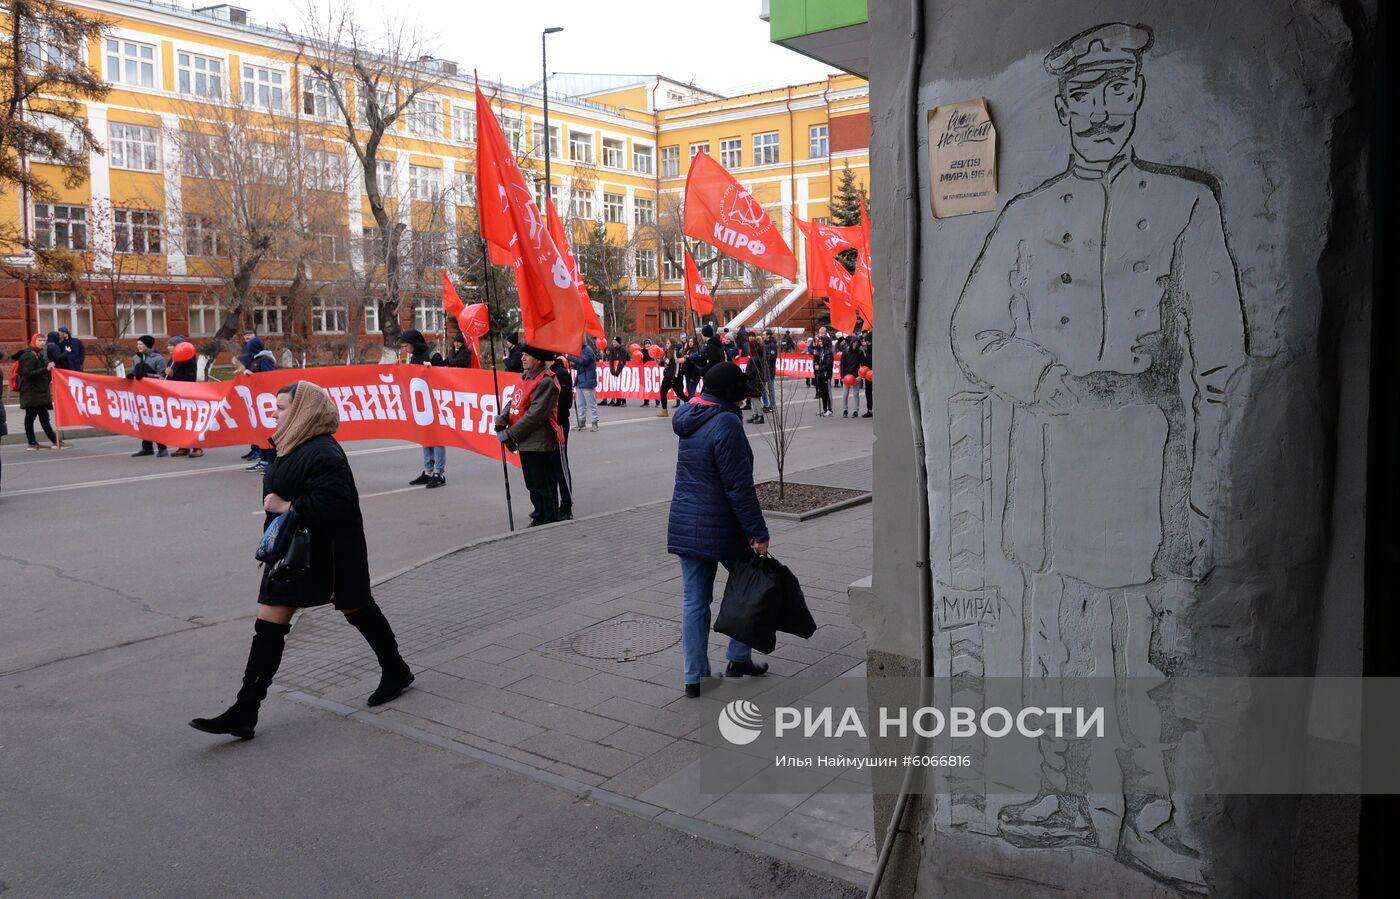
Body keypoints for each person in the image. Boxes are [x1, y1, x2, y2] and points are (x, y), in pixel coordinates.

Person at [190, 381, 414, 740]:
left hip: (331, 552)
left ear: (302, 411)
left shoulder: (323, 451)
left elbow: (334, 504)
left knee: (357, 608)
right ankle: (246, 708)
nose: (275, 414)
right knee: (269, 623)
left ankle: (396, 669)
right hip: (294, 553)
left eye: (281, 408)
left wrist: (286, 506)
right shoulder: (290, 444)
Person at [666, 361, 771, 698]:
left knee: (695, 602)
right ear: (731, 395)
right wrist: (757, 532)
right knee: (750, 587)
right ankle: (738, 658)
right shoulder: (725, 423)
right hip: (722, 527)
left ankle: (694, 677)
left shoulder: (690, 415)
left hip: (686, 522)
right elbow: (738, 487)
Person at [495, 344, 563, 526]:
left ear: (539, 359)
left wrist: (510, 434)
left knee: (543, 483)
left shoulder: (546, 381)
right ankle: (539, 511)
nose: (522, 359)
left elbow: (536, 416)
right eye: (522, 355)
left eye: (527, 356)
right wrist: (503, 415)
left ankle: (548, 517)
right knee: (532, 482)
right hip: (525, 440)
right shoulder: (525, 377)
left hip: (539, 441)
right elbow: (515, 400)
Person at [401, 329, 448, 488]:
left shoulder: (433, 355)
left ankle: (439, 473)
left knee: (438, 438)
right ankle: (428, 471)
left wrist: (433, 369)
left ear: (414, 343)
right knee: (425, 437)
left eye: (407, 345)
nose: (405, 348)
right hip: (421, 404)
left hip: (436, 403)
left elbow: (446, 376)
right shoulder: (413, 358)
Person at [240, 333, 278, 470]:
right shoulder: (257, 359)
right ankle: (263, 460)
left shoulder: (266, 359)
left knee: (269, 433)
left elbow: (268, 377)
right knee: (262, 433)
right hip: (258, 401)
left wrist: (252, 375)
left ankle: (272, 463)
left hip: (266, 402)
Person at [14, 335, 58, 450]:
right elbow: (27, 374)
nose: (42, 342)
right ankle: (41, 442)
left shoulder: (39, 354)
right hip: (32, 393)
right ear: (33, 341)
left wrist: (48, 374)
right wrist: (46, 369)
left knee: (40, 417)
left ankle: (51, 441)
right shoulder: (29, 355)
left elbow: (41, 372)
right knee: (33, 417)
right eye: (40, 340)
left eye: (44, 340)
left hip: (38, 392)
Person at [129, 335, 168, 457]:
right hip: (140, 394)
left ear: (148, 345)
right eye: (138, 344)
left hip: (154, 396)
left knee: (155, 421)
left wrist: (147, 375)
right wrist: (131, 375)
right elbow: (134, 371)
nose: (138, 346)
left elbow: (162, 377)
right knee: (143, 420)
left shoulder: (158, 358)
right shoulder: (136, 357)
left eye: (141, 344)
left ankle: (162, 447)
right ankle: (147, 447)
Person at [165, 336, 203, 457]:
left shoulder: (189, 360)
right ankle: (183, 446)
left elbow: (191, 379)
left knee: (190, 422)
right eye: (169, 345)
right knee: (179, 423)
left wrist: (173, 374)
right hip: (175, 396)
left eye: (171, 345)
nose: (168, 347)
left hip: (187, 396)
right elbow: (169, 376)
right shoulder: (172, 360)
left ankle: (198, 448)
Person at [549, 353, 575, 520]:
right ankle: (550, 505)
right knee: (549, 467)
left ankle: (566, 505)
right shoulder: (540, 373)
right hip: (545, 426)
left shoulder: (560, 374)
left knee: (560, 465)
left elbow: (566, 402)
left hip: (558, 423)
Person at [567, 336, 599, 432]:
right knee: (580, 403)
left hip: (587, 380)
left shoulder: (588, 350)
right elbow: (580, 364)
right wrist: (573, 366)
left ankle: (594, 423)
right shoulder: (581, 351)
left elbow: (583, 361)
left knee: (591, 403)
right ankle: (582, 422)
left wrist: (569, 357)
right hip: (581, 380)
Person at [839, 334, 865, 418]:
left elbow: (863, 365)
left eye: (857, 343)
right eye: (854, 342)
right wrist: (842, 377)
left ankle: (855, 410)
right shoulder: (845, 352)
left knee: (856, 394)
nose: (855, 344)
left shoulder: (860, 352)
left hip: (856, 376)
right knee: (845, 394)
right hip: (847, 377)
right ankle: (844, 410)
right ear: (851, 342)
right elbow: (842, 365)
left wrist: (860, 376)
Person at [657, 339, 683, 417]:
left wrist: (660, 362)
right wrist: (659, 361)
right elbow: (664, 363)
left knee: (663, 392)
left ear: (672, 344)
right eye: (666, 343)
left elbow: (666, 363)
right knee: (681, 395)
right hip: (675, 376)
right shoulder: (670, 352)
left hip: (670, 376)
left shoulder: (672, 353)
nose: (667, 344)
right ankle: (693, 403)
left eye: (668, 343)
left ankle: (664, 411)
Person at [812, 337, 834, 417]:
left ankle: (830, 410)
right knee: (822, 392)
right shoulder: (821, 351)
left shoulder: (828, 352)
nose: (820, 343)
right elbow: (819, 361)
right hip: (820, 374)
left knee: (827, 392)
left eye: (821, 341)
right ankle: (824, 409)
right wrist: (815, 356)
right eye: (819, 341)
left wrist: (820, 368)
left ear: (825, 342)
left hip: (826, 374)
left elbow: (829, 364)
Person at [605, 336, 627, 406]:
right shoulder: (612, 349)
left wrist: (617, 372)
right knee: (616, 385)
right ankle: (617, 401)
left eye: (615, 342)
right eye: (613, 342)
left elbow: (621, 361)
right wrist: (612, 370)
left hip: (622, 369)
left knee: (621, 385)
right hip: (615, 369)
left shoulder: (623, 350)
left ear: (619, 342)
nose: (613, 343)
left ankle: (623, 401)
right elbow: (611, 360)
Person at [861, 335, 874, 417]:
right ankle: (869, 410)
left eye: (868, 342)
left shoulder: (875, 351)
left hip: (875, 374)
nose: (867, 343)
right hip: (867, 375)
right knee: (868, 393)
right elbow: (864, 363)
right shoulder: (866, 351)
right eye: (866, 342)